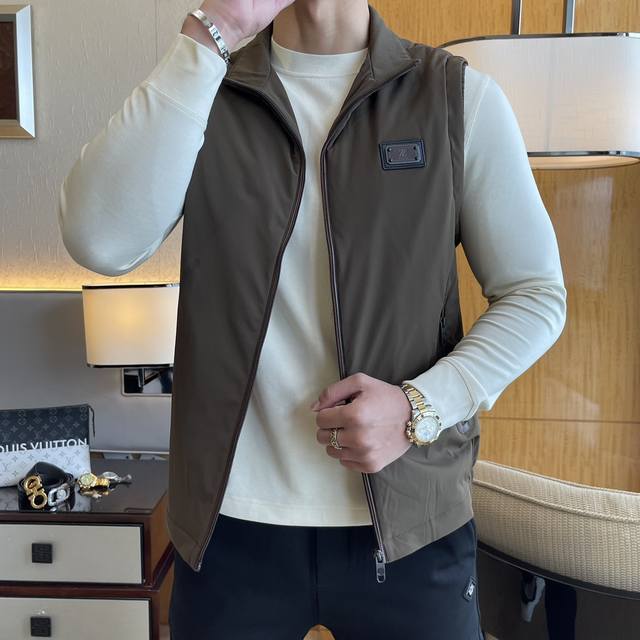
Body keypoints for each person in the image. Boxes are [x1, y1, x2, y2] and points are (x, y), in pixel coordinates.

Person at [58, 1, 567, 638]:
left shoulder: (454, 97)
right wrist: (214, 30)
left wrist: (419, 407)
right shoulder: (204, 87)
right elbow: (100, 241)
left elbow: (535, 295)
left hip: (410, 526)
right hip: (227, 529)